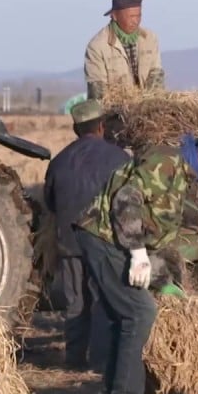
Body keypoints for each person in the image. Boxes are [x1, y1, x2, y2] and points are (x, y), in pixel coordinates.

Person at [74, 127, 198, 394]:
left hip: (110, 239)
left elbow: (157, 234)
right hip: (104, 237)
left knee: (121, 318)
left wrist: (166, 282)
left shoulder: (180, 175)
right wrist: (136, 252)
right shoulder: (166, 161)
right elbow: (127, 199)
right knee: (139, 313)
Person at [42, 99, 131, 370]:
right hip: (104, 243)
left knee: (75, 302)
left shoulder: (58, 162)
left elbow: (50, 202)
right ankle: (101, 362)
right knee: (104, 301)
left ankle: (74, 359)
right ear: (102, 126)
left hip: (69, 242)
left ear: (75, 129)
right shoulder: (120, 159)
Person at [83, 0, 165, 101]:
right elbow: (98, 93)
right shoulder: (97, 46)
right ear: (115, 16)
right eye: (131, 16)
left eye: (138, 16)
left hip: (146, 107)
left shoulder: (150, 39)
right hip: (115, 111)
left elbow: (156, 78)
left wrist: (147, 106)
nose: (136, 21)